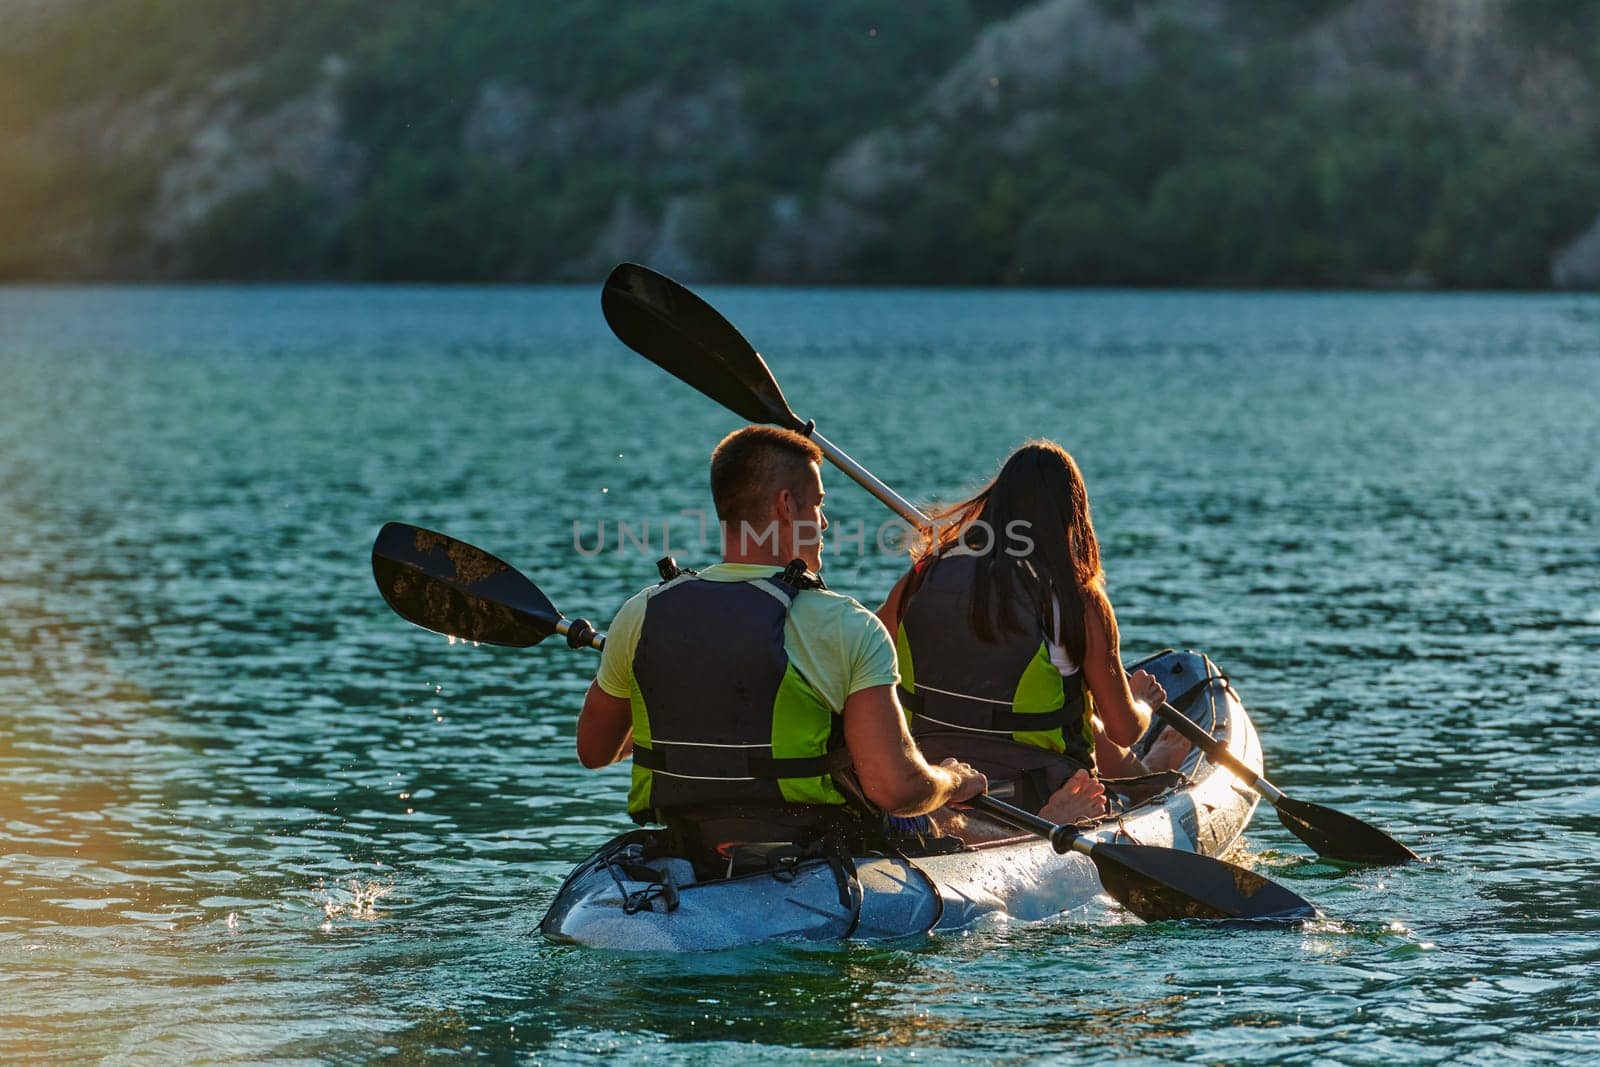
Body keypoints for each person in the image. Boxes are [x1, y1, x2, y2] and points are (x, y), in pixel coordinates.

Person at [575, 425, 988, 867]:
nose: (825, 523)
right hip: (814, 853)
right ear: (787, 506)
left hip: (690, 850)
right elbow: (896, 788)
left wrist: (687, 703)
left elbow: (595, 751)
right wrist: (952, 781)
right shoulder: (847, 625)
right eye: (819, 504)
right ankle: (1059, 815)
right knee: (941, 813)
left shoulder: (640, 614)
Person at [876, 440, 1191, 825]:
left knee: (1077, 710)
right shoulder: (1079, 601)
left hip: (934, 775)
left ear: (996, 501)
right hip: (1037, 791)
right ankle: (1143, 778)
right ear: (1072, 516)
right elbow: (1124, 729)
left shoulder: (924, 577)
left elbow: (870, 652)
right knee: (1078, 709)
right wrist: (1144, 702)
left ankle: (1142, 775)